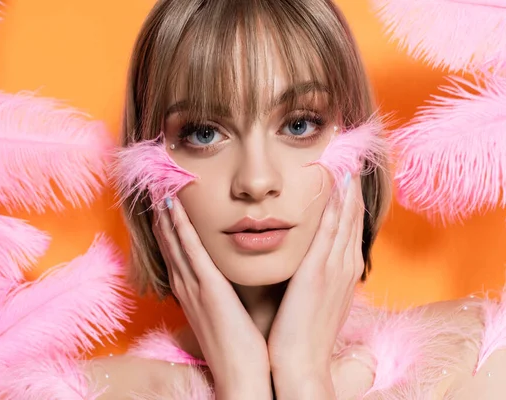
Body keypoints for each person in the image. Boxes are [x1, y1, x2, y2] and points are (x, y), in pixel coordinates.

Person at [87, 0, 506, 398]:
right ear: (146, 164)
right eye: (204, 133)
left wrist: (302, 375)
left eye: (300, 124)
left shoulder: (473, 356)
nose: (255, 180)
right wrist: (242, 382)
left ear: (357, 145)